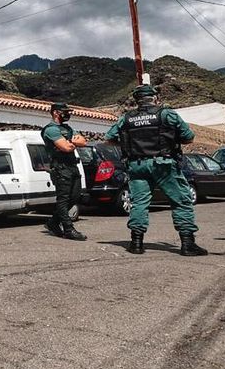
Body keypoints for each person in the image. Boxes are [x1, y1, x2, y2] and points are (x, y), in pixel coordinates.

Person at [105, 84, 206, 256]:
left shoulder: (126, 118)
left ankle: (136, 243)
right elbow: (189, 137)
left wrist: (128, 145)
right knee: (181, 200)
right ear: (155, 98)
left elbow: (109, 138)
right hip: (164, 164)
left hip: (137, 165)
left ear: (137, 101)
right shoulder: (166, 114)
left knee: (139, 203)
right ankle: (188, 244)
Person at [41, 102, 88, 240]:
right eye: (64, 112)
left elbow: (83, 142)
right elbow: (66, 148)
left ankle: (53, 223)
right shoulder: (50, 130)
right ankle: (68, 229)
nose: (68, 114)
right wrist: (71, 142)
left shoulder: (67, 128)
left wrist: (69, 142)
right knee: (63, 200)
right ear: (56, 113)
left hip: (72, 167)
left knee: (75, 197)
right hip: (61, 168)